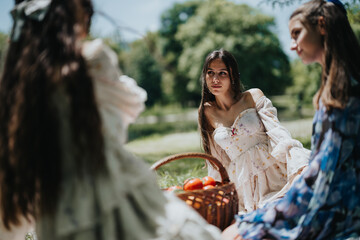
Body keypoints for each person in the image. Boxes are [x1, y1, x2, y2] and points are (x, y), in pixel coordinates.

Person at [0, 0, 221, 239]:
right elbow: (128, 111)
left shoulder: (14, 96)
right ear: (75, 18)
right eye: (87, 17)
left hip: (61, 222)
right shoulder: (91, 61)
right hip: (124, 204)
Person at [222, 0, 360, 239]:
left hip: (340, 209)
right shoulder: (340, 86)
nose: (292, 45)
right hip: (339, 202)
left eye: (297, 34)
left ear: (322, 25)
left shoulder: (343, 92)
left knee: (232, 234)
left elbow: (321, 178)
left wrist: (261, 219)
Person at [198, 49, 310, 214]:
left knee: (294, 207)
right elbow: (216, 158)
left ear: (233, 76)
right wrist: (214, 188)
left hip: (273, 170)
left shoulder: (252, 96)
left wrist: (297, 159)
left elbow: (277, 131)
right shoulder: (206, 111)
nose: (215, 79)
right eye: (210, 73)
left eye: (222, 73)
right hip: (243, 183)